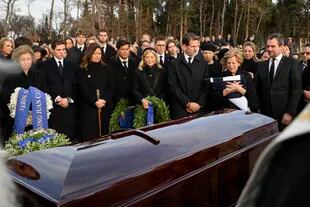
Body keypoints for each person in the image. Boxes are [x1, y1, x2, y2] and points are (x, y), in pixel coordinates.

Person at [0, 45, 47, 144]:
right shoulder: (9, 77)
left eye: (28, 59)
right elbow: (5, 97)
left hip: (36, 121)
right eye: (23, 59)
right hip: (15, 122)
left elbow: (44, 94)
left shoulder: (39, 75)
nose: (26, 62)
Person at [256, 33, 302, 131]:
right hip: (265, 116)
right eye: (267, 46)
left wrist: (290, 112)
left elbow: (296, 89)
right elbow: (258, 90)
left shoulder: (291, 63)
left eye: (273, 46)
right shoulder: (261, 66)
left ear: (281, 47)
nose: (269, 49)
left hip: (284, 115)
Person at [41, 40, 79, 140]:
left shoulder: (72, 65)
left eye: (63, 49)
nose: (62, 52)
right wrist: (57, 98)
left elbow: (76, 85)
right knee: (55, 138)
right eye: (58, 50)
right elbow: (44, 86)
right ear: (53, 51)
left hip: (69, 107)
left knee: (70, 138)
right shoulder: (45, 65)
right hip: (54, 108)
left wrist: (68, 99)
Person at [168, 33, 210, 119]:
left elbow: (206, 86)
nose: (196, 49)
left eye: (197, 46)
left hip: (199, 109)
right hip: (180, 109)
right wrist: (187, 103)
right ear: (184, 47)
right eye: (193, 46)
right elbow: (173, 86)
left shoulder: (203, 64)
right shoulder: (174, 64)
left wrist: (199, 104)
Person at [79, 43, 114, 140]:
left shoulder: (107, 69)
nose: (97, 56)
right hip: (89, 108)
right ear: (89, 54)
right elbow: (83, 89)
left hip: (104, 106)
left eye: (99, 53)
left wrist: (104, 100)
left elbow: (111, 87)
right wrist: (94, 101)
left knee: (105, 135)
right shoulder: (83, 70)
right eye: (95, 54)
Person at [108, 39, 138, 105]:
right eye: (122, 49)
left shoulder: (135, 62)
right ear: (118, 50)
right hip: (116, 100)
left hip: (133, 99)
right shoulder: (111, 63)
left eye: (127, 49)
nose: (125, 52)